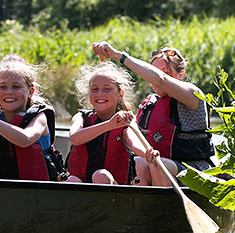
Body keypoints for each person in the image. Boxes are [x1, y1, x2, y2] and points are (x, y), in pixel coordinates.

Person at [92, 42, 215, 186]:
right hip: (158, 167)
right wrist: (145, 153)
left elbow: (160, 80)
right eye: (152, 72)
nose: (153, 78)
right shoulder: (151, 103)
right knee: (138, 163)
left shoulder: (193, 95)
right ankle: (143, 207)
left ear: (181, 74)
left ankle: (163, 207)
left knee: (157, 165)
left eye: (165, 72)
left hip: (194, 171)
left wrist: (117, 55)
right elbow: (133, 135)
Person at [66, 61, 157, 185]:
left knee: (100, 176)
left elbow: (135, 144)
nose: (100, 94)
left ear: (120, 94)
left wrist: (147, 153)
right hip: (82, 186)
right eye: (94, 89)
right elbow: (75, 138)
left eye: (107, 89)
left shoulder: (126, 120)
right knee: (72, 180)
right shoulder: (80, 117)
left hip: (113, 188)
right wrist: (109, 124)